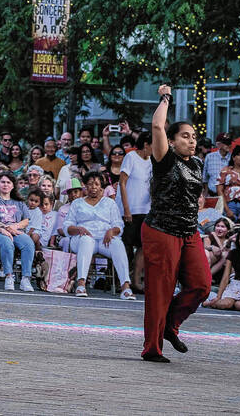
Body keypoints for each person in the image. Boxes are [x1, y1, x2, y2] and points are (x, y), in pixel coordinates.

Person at [140, 84, 211, 364]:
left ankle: (170, 324)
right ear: (171, 141)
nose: (192, 141)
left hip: (189, 231)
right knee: (160, 291)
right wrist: (165, 98)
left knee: (201, 285)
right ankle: (152, 348)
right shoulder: (164, 159)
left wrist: (198, 201)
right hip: (162, 230)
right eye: (185, 136)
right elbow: (158, 126)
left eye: (194, 137)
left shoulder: (197, 164)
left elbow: (192, 192)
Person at [62, 172, 134, 300]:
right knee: (86, 240)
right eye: (90, 184)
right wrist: (78, 229)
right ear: (85, 186)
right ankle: (81, 284)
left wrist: (112, 231)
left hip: (103, 239)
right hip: (81, 238)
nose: (93, 187)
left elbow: (118, 224)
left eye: (96, 184)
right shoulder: (77, 203)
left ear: (101, 186)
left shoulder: (109, 203)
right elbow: (67, 225)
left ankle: (125, 287)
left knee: (117, 243)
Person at [0, 170, 36, 292]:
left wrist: (14, 227)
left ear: (13, 185)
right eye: (3, 182)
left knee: (28, 243)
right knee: (7, 243)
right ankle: (9, 276)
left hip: (15, 231)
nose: (5, 185)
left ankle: (25, 279)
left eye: (8, 182)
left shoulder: (19, 202)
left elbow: (26, 221)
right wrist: (6, 227)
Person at [116, 132, 152, 292]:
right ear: (146, 144)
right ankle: (123, 280)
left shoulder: (152, 161)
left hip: (147, 209)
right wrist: (126, 209)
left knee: (143, 246)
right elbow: (122, 183)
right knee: (126, 246)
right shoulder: (131, 157)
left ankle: (137, 281)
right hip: (130, 208)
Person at [204, 227, 240, 311]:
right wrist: (219, 296)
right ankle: (210, 302)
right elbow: (225, 277)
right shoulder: (233, 253)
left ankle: (232, 304)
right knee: (224, 304)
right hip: (235, 286)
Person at [202, 132, 233, 198]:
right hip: (212, 195)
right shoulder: (209, 157)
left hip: (228, 197)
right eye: (226, 143)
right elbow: (205, 178)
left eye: (230, 142)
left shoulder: (233, 158)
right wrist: (206, 193)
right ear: (218, 144)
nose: (229, 145)